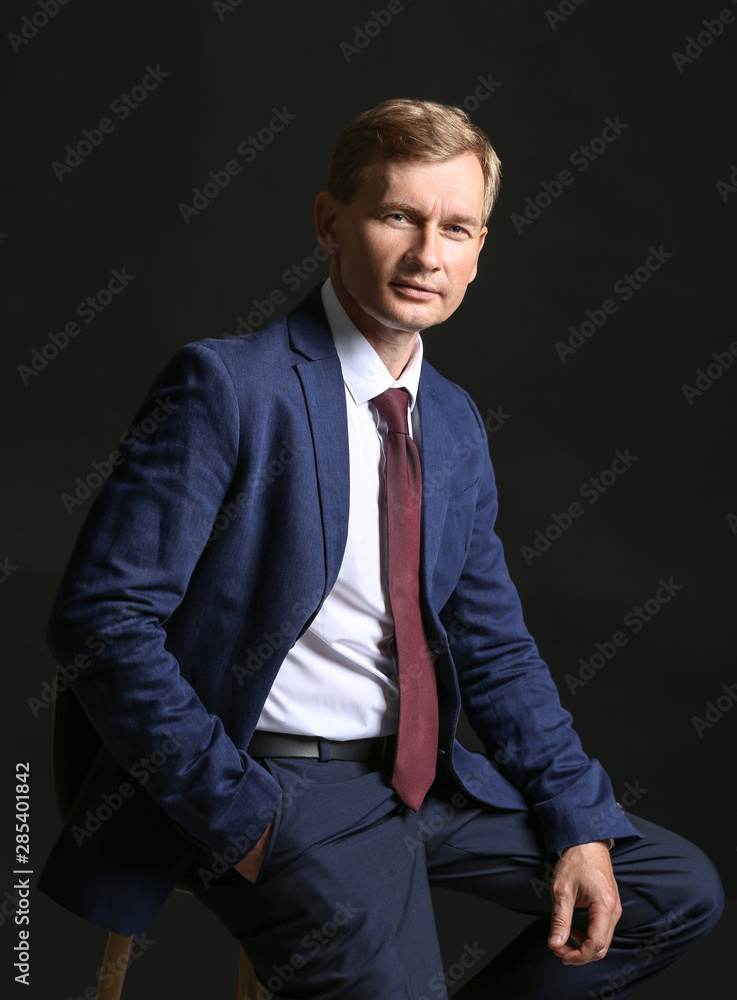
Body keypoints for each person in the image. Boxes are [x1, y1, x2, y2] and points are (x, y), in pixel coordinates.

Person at [39, 99, 723, 998]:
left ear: (480, 251)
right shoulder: (230, 387)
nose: (426, 255)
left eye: (457, 228)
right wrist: (240, 818)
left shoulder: (449, 421)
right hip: (278, 786)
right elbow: (102, 621)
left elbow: (491, 644)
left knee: (671, 892)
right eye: (398, 216)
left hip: (420, 785)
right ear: (331, 223)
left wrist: (577, 818)